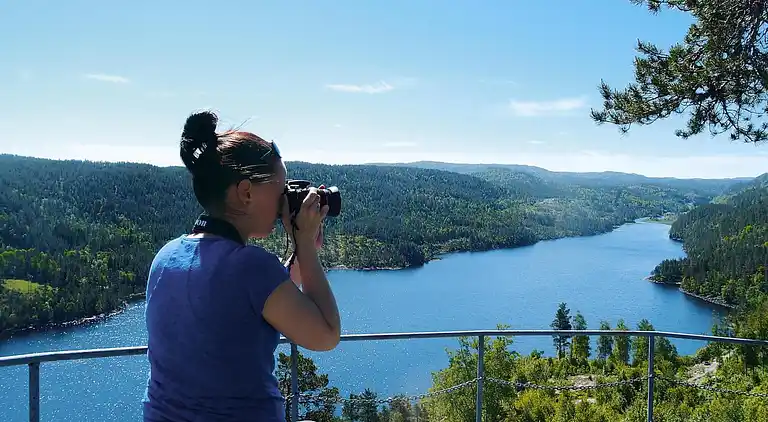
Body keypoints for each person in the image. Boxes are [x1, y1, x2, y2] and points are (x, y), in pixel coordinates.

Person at [142, 110, 341, 422]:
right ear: (246, 193)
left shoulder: (166, 257)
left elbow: (258, 299)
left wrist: (305, 249)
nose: (284, 201)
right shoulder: (250, 267)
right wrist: (304, 246)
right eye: (281, 189)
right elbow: (326, 335)